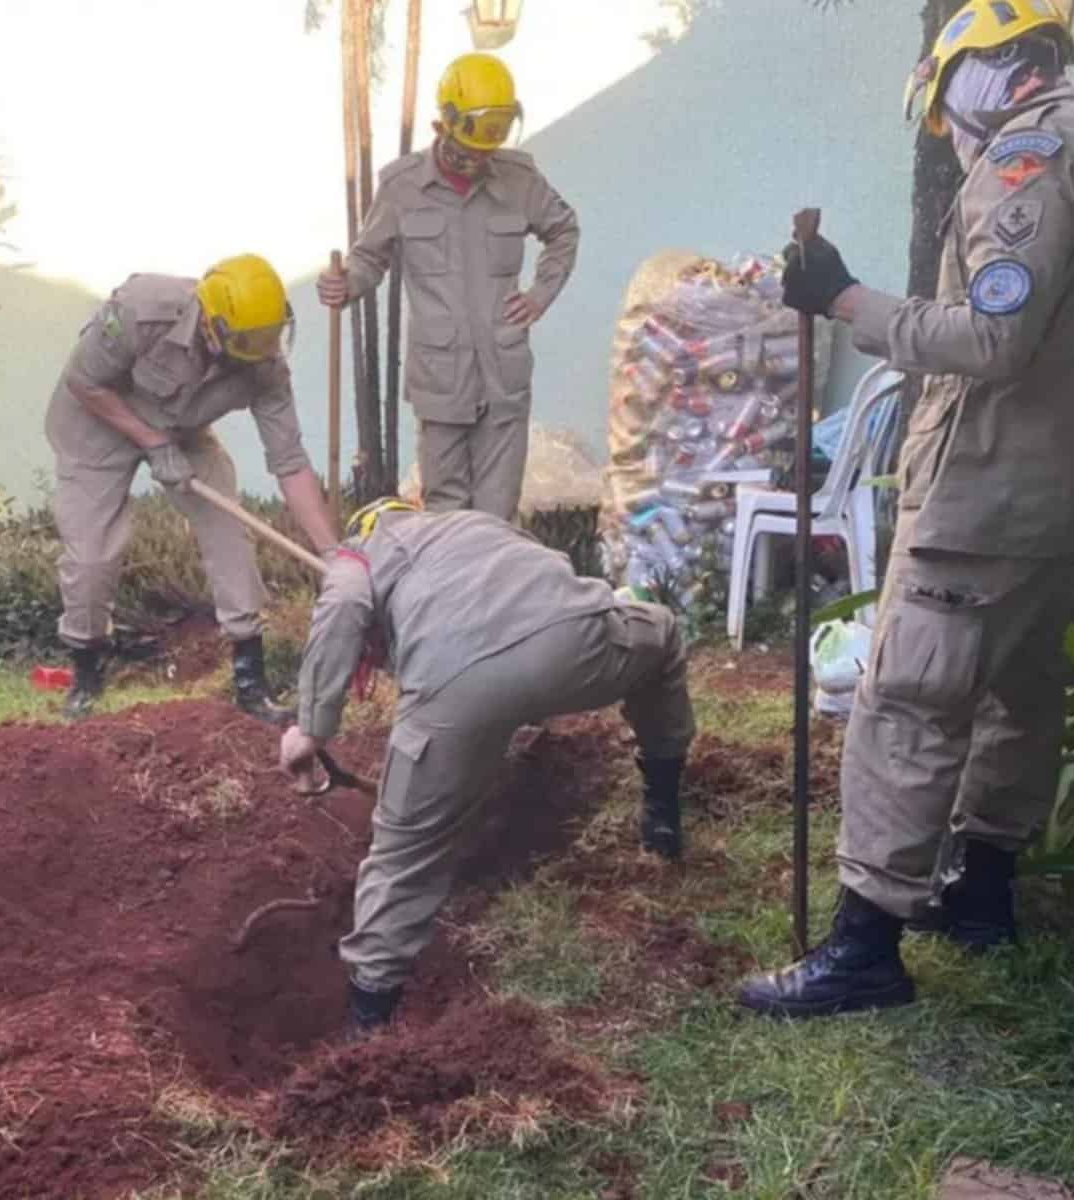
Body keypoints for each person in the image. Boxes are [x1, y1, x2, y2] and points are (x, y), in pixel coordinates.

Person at [737, 0, 1074, 1019]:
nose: (950, 127)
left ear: (989, 74)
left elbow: (993, 340)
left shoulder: (1031, 158)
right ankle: (982, 894)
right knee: (1018, 689)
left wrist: (847, 300)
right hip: (1069, 489)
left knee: (912, 695)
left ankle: (865, 946)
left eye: (947, 100)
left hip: (986, 486)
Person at [278, 498, 694, 1036]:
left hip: (456, 688)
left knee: (403, 855)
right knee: (660, 635)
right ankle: (662, 812)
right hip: (573, 639)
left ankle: (367, 1025)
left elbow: (342, 606)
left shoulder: (360, 556)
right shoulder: (472, 524)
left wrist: (311, 727)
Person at [47, 254, 342, 723]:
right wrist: (152, 442)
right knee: (92, 554)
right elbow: (84, 381)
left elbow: (289, 463)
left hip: (182, 431)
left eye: (270, 336)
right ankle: (87, 668)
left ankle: (250, 679)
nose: (264, 349)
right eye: (250, 340)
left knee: (227, 529)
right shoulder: (142, 310)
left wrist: (331, 554)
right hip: (96, 425)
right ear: (211, 322)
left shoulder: (264, 365)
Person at [317, 52, 580, 522]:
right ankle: (450, 596)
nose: (477, 160)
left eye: (487, 151)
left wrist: (540, 295)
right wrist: (346, 285)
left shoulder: (519, 179)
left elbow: (563, 230)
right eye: (466, 150)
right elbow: (369, 257)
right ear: (442, 126)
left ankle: (493, 596)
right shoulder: (401, 186)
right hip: (441, 380)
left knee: (496, 517)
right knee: (445, 515)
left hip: (504, 377)